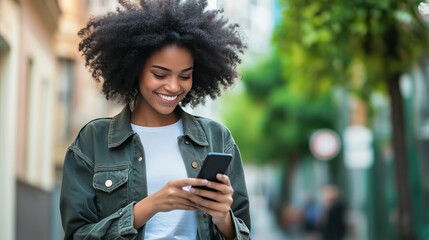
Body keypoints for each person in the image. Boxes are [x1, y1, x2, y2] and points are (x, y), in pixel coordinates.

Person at [59, 0, 250, 239]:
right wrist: (151, 206)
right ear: (134, 68)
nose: (173, 86)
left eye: (185, 76)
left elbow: (243, 232)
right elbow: (77, 235)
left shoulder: (217, 137)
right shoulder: (94, 140)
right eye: (159, 74)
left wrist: (223, 218)